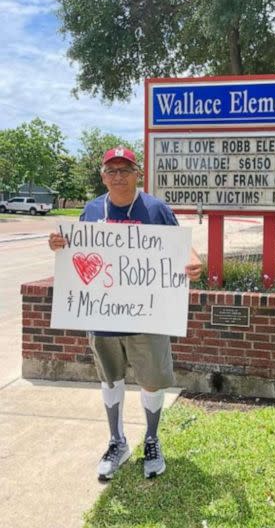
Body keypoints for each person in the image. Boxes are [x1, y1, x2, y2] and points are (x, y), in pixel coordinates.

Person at [49, 146, 202, 481]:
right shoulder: (91, 210)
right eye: (112, 170)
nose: (118, 176)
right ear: (103, 176)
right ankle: (117, 441)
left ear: (137, 174)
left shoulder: (156, 208)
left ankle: (151, 439)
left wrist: (193, 260)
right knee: (110, 378)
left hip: (148, 313)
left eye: (125, 169)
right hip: (102, 314)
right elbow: (72, 247)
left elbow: (181, 243)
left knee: (151, 379)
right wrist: (58, 244)